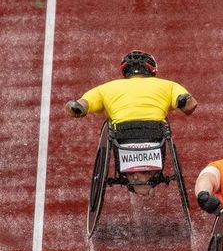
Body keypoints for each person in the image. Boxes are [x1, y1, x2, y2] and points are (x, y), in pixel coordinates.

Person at [64, 50, 197, 196]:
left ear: (124, 70)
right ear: (152, 69)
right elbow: (190, 106)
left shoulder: (106, 88)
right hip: (154, 134)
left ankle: (136, 178)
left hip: (123, 136)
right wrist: (181, 102)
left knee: (117, 134)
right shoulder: (168, 86)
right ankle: (147, 177)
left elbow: (80, 107)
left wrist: (74, 107)